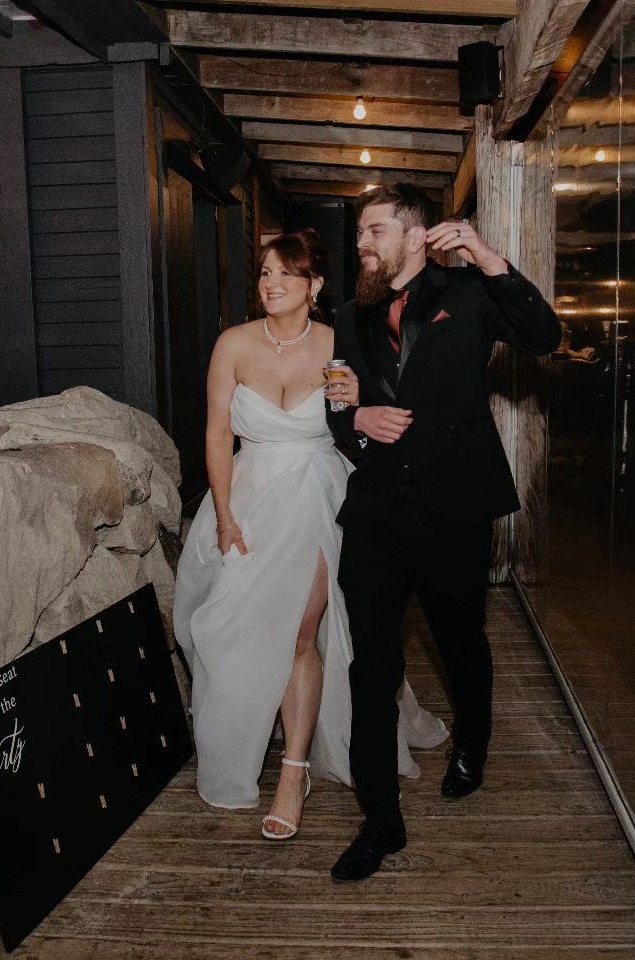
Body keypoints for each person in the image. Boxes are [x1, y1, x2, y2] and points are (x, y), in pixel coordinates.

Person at [324, 184, 563, 881]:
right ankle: (381, 820)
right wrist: (357, 421)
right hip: (373, 516)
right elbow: (338, 398)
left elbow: (545, 338)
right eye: (361, 233)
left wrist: (489, 257)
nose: (362, 244)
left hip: (454, 510)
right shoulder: (348, 315)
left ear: (413, 232)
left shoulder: (471, 293)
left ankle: (472, 745)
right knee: (371, 670)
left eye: (373, 231)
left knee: (461, 646)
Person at [173, 229, 446, 842]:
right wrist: (222, 515)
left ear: (314, 286)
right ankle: (248, 724)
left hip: (321, 495)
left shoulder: (340, 340)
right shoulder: (234, 344)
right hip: (247, 496)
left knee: (301, 629)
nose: (270, 283)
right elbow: (218, 434)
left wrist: (353, 405)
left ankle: (292, 774)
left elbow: (374, 418)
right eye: (265, 273)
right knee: (225, 625)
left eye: (285, 275)